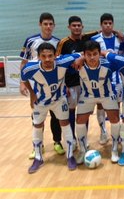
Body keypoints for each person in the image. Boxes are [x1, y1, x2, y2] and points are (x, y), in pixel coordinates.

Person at [21, 42, 80, 174]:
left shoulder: (63, 61)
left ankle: (70, 156)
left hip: (59, 100)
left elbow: (81, 54)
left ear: (55, 55)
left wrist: (80, 60)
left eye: (50, 56)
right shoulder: (30, 68)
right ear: (39, 57)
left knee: (65, 123)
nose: (47, 59)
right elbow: (24, 79)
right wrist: (31, 94)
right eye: (44, 56)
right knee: (37, 125)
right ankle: (38, 158)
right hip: (40, 101)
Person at [19, 12, 64, 159]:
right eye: (45, 24)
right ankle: (38, 146)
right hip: (36, 86)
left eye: (51, 24)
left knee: (55, 115)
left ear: (54, 25)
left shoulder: (58, 42)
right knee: (37, 116)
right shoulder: (30, 41)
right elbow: (24, 63)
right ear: (40, 24)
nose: (48, 27)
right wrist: (22, 82)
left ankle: (57, 142)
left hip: (54, 85)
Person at [74, 40, 121, 164]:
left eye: (95, 54)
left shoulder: (109, 64)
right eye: (88, 54)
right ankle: (83, 150)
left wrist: (105, 53)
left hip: (107, 95)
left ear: (99, 53)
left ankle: (115, 149)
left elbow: (123, 60)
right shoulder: (78, 64)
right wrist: (79, 57)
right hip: (88, 95)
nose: (92, 57)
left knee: (115, 119)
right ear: (84, 54)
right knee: (79, 121)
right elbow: (60, 60)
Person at [56, 15, 99, 148]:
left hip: (85, 84)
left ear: (82, 26)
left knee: (84, 113)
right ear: (69, 27)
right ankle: (72, 139)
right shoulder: (63, 43)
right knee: (71, 113)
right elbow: (58, 64)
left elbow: (101, 31)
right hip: (70, 84)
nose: (76, 28)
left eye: (79, 25)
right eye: (74, 25)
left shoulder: (86, 39)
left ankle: (83, 139)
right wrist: (63, 85)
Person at [91, 13, 124, 144]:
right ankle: (103, 131)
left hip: (117, 78)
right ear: (101, 25)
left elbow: (122, 56)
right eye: (105, 23)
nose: (108, 25)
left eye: (110, 23)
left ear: (113, 24)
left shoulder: (119, 39)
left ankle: (117, 132)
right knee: (101, 105)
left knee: (116, 105)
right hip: (101, 78)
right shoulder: (94, 39)